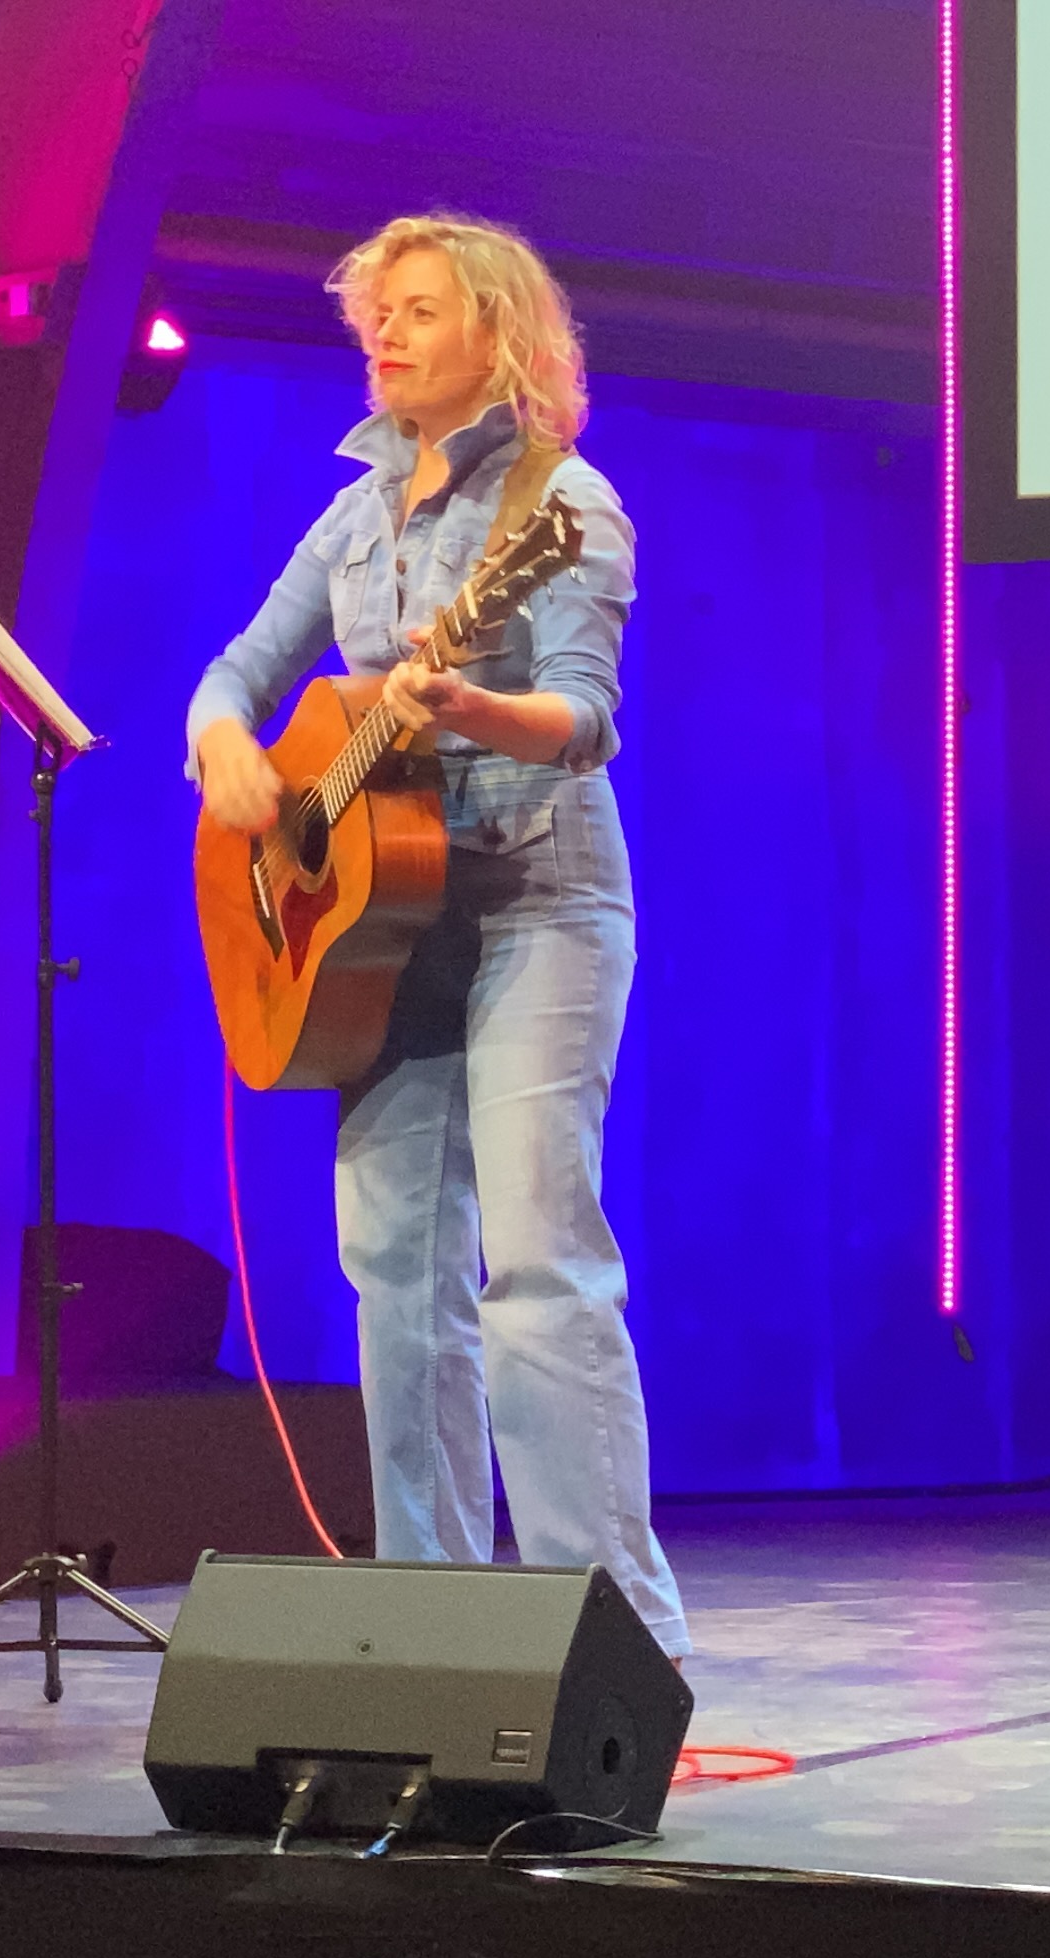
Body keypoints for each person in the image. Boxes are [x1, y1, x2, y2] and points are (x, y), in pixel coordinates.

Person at [183, 214, 685, 1658]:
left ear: (498, 335)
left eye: (417, 310)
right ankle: (434, 1632)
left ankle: (616, 1644)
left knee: (534, 1267)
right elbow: (237, 670)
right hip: (381, 929)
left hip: (537, 898)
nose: (384, 334)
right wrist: (226, 746)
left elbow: (582, 719)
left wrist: (463, 703)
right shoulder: (352, 516)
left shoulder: (563, 503)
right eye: (376, 313)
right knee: (396, 1273)